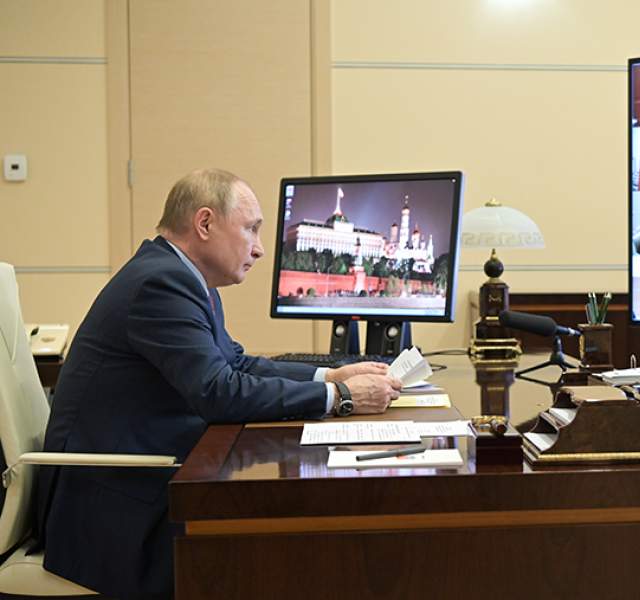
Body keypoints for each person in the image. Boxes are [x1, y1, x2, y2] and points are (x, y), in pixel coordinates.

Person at [35, 169, 403, 598]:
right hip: (111, 510)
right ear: (205, 223)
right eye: (251, 229)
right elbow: (219, 392)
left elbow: (236, 364)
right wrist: (340, 398)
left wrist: (330, 376)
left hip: (142, 478)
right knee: (285, 542)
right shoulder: (161, 283)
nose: (260, 248)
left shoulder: (185, 279)